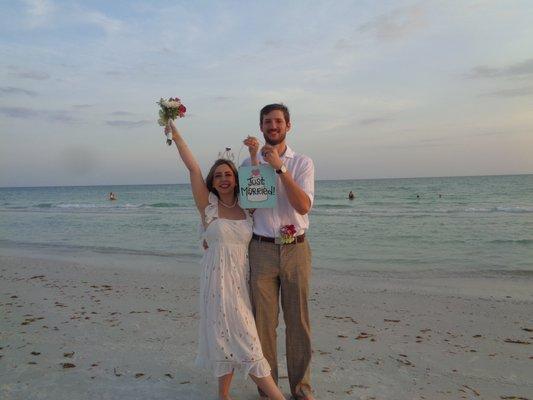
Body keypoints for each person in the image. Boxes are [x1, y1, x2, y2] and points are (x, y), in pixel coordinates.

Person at [165, 120, 286, 400]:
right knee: (235, 336)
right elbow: (193, 168)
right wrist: (177, 135)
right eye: (218, 175)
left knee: (235, 335)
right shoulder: (207, 205)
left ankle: (226, 395)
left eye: (228, 174)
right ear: (213, 180)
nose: (223, 179)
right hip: (215, 281)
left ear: (236, 178)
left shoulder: (247, 207)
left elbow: (259, 181)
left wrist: (254, 155)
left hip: (241, 281)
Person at [242, 104, 316, 400]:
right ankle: (268, 390)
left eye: (278, 121)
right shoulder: (248, 165)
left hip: (296, 249)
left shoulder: (302, 162)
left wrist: (280, 169)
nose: (273, 126)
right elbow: (247, 208)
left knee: (298, 322)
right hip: (261, 249)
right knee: (264, 324)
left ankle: (301, 388)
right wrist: (257, 166)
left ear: (288, 125)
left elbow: (303, 206)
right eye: (267, 122)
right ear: (261, 127)